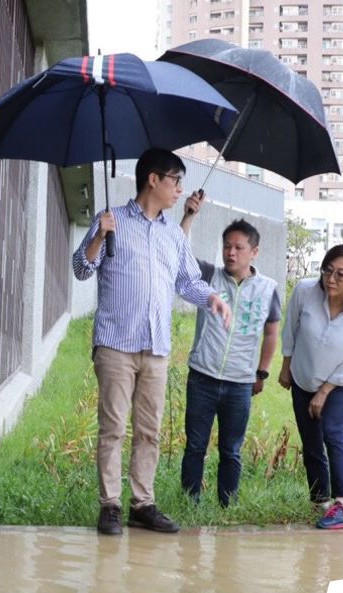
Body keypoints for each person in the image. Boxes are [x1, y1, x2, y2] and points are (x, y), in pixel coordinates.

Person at [72, 148, 232, 535]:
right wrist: (99, 236)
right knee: (112, 428)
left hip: (156, 348)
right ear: (153, 179)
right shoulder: (111, 220)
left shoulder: (173, 234)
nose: (180, 189)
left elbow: (187, 282)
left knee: (149, 431)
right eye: (175, 180)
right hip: (116, 344)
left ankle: (142, 504)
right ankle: (110, 506)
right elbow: (82, 268)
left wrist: (212, 298)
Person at [177, 211, 282, 506]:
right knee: (195, 446)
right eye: (227, 246)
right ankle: (190, 503)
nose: (231, 253)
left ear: (254, 252)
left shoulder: (268, 288)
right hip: (203, 376)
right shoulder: (209, 276)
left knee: (231, 450)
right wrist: (188, 216)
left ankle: (227, 505)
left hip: (240, 383)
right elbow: (179, 254)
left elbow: (271, 333)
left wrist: (262, 373)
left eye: (238, 247)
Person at [278, 244, 343, 530]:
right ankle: (320, 500)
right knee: (310, 440)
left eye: (341, 275)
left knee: (332, 430)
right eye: (327, 271)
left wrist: (323, 392)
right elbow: (290, 331)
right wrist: (286, 367)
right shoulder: (304, 291)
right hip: (303, 375)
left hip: (342, 381)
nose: (331, 279)